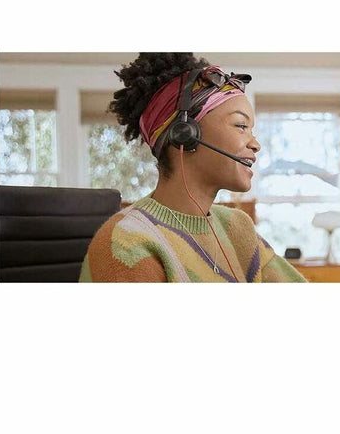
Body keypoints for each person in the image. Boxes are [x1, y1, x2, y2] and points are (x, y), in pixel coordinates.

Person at [79, 53, 307, 283]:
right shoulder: (127, 243)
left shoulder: (237, 227)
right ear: (185, 134)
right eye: (240, 125)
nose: (255, 144)